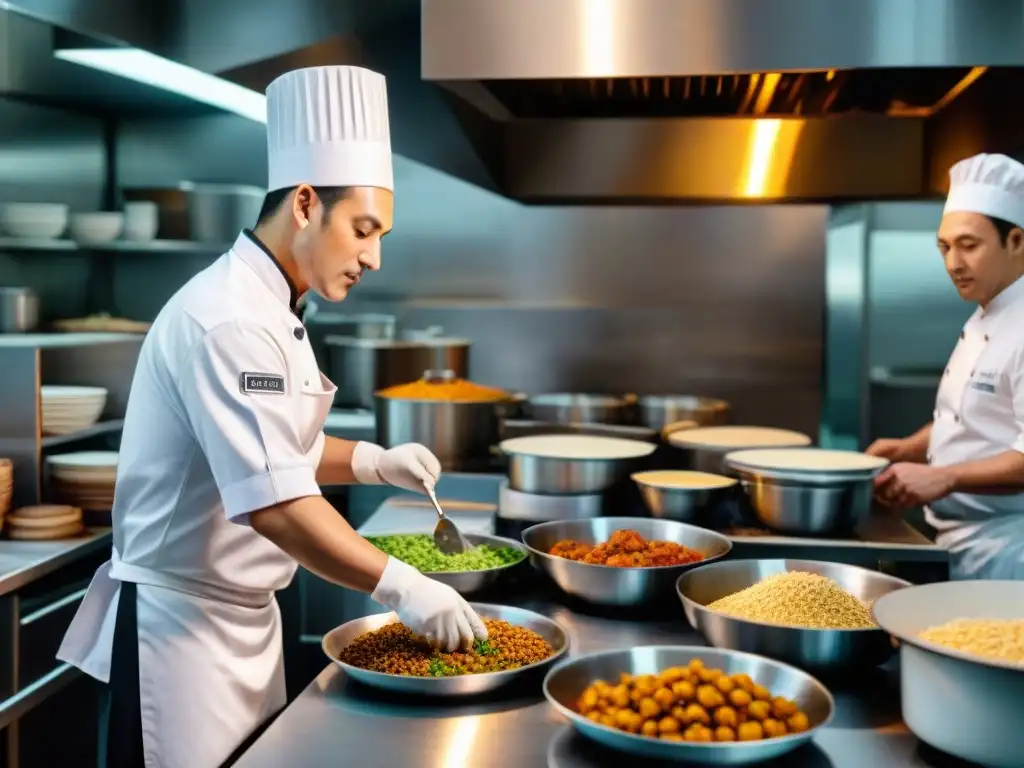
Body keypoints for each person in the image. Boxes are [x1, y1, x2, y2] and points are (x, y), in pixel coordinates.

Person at [56, 65, 487, 768]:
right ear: (307, 203)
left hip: (245, 618)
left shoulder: (276, 307)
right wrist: (401, 584)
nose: (374, 257)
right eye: (364, 229)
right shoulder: (227, 320)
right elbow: (276, 503)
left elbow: (267, 448)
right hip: (182, 635)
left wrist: (373, 461)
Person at [869, 152, 1024, 580]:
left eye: (969, 246)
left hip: (1007, 553)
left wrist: (946, 477)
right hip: (955, 539)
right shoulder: (983, 316)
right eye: (945, 247)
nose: (953, 264)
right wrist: (908, 449)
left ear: (1017, 240)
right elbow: (973, 422)